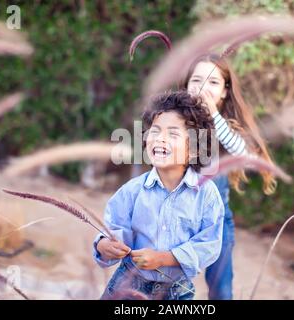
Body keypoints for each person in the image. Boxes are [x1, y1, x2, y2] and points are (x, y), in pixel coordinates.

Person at [93, 91, 225, 300]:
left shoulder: (206, 194)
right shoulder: (132, 191)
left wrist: (165, 258)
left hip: (176, 291)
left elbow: (209, 244)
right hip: (128, 285)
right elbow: (113, 229)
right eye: (155, 131)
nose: (160, 139)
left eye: (173, 134)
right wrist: (105, 246)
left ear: (194, 149)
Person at [182, 53, 277, 300]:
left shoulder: (226, 125)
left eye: (213, 82)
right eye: (197, 80)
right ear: (186, 86)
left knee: (221, 290)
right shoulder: (176, 120)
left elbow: (243, 153)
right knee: (175, 288)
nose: (203, 87)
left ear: (225, 91)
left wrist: (212, 114)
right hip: (177, 218)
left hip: (217, 222)